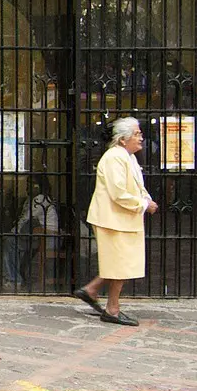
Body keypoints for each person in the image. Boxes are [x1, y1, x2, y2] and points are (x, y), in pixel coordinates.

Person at [74, 117, 158, 326]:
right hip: (112, 219)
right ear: (123, 139)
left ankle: (92, 290)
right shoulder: (114, 158)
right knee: (120, 263)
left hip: (121, 219)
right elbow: (118, 192)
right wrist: (143, 204)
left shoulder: (127, 157)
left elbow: (136, 185)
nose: (141, 138)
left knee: (121, 262)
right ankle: (111, 308)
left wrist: (146, 199)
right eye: (137, 134)